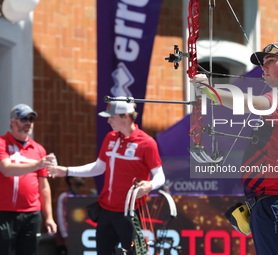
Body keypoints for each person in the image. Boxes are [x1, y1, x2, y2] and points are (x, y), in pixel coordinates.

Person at [194, 42, 278, 254]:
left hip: (276, 202)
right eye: (263, 63)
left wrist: (208, 90)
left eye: (270, 61)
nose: (263, 67)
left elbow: (252, 103)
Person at [50, 98, 165, 255]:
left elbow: (160, 176)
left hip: (130, 213)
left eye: (112, 116)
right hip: (106, 210)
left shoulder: (147, 143)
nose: (108, 120)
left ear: (126, 116)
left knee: (134, 252)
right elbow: (99, 167)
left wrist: (150, 185)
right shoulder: (110, 137)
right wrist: (67, 171)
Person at [0, 103, 57, 255]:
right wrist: (38, 164)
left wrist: (49, 218)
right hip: (4, 212)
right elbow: (6, 169)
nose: (28, 123)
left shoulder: (39, 150)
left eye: (31, 119)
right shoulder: (2, 143)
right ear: (12, 121)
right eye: (24, 118)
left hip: (32, 214)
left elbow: (44, 187)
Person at [55, 176, 86, 255]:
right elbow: (60, 218)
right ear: (71, 180)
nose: (82, 178)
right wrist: (66, 236)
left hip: (81, 240)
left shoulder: (83, 197)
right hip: (66, 241)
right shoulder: (64, 197)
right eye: (78, 176)